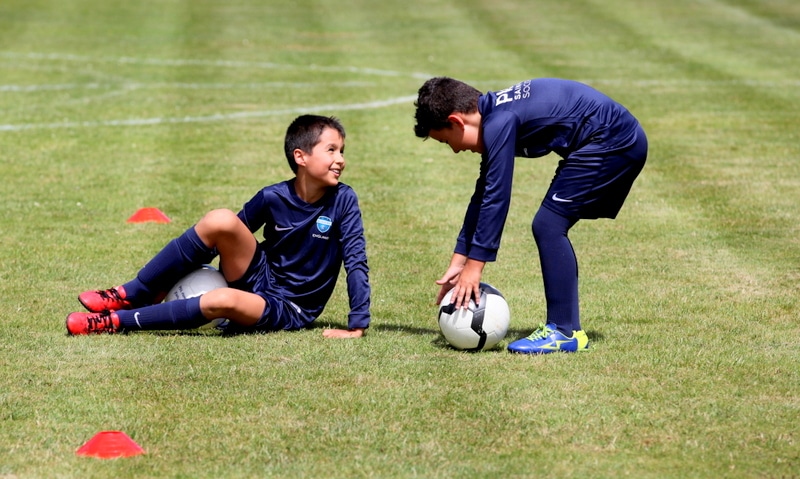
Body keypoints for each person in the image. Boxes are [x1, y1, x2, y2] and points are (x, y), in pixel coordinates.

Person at [66, 114, 370, 339]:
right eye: (331, 150)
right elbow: (221, 239)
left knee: (221, 300)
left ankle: (113, 321)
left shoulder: (343, 200)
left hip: (288, 305)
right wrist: (179, 279)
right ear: (300, 157)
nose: (340, 159)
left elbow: (356, 261)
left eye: (342, 151)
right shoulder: (272, 196)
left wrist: (357, 324)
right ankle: (132, 291)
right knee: (221, 219)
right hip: (259, 275)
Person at [413, 77, 647, 354]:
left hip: (612, 141)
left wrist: (474, 269)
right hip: (605, 139)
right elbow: (483, 192)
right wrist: (459, 259)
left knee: (548, 225)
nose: (455, 149)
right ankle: (566, 329)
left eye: (446, 141)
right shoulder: (494, 114)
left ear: (457, 121)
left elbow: (496, 197)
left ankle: (564, 331)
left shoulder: (499, 122)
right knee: (548, 224)